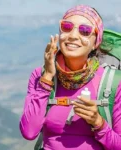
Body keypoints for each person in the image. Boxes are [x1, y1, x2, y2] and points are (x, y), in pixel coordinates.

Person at [20, 4, 121, 150]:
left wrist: (99, 123)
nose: (73, 36)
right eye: (67, 27)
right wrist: (47, 77)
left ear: (95, 43)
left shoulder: (114, 82)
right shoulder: (41, 76)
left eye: (85, 31)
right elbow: (29, 132)